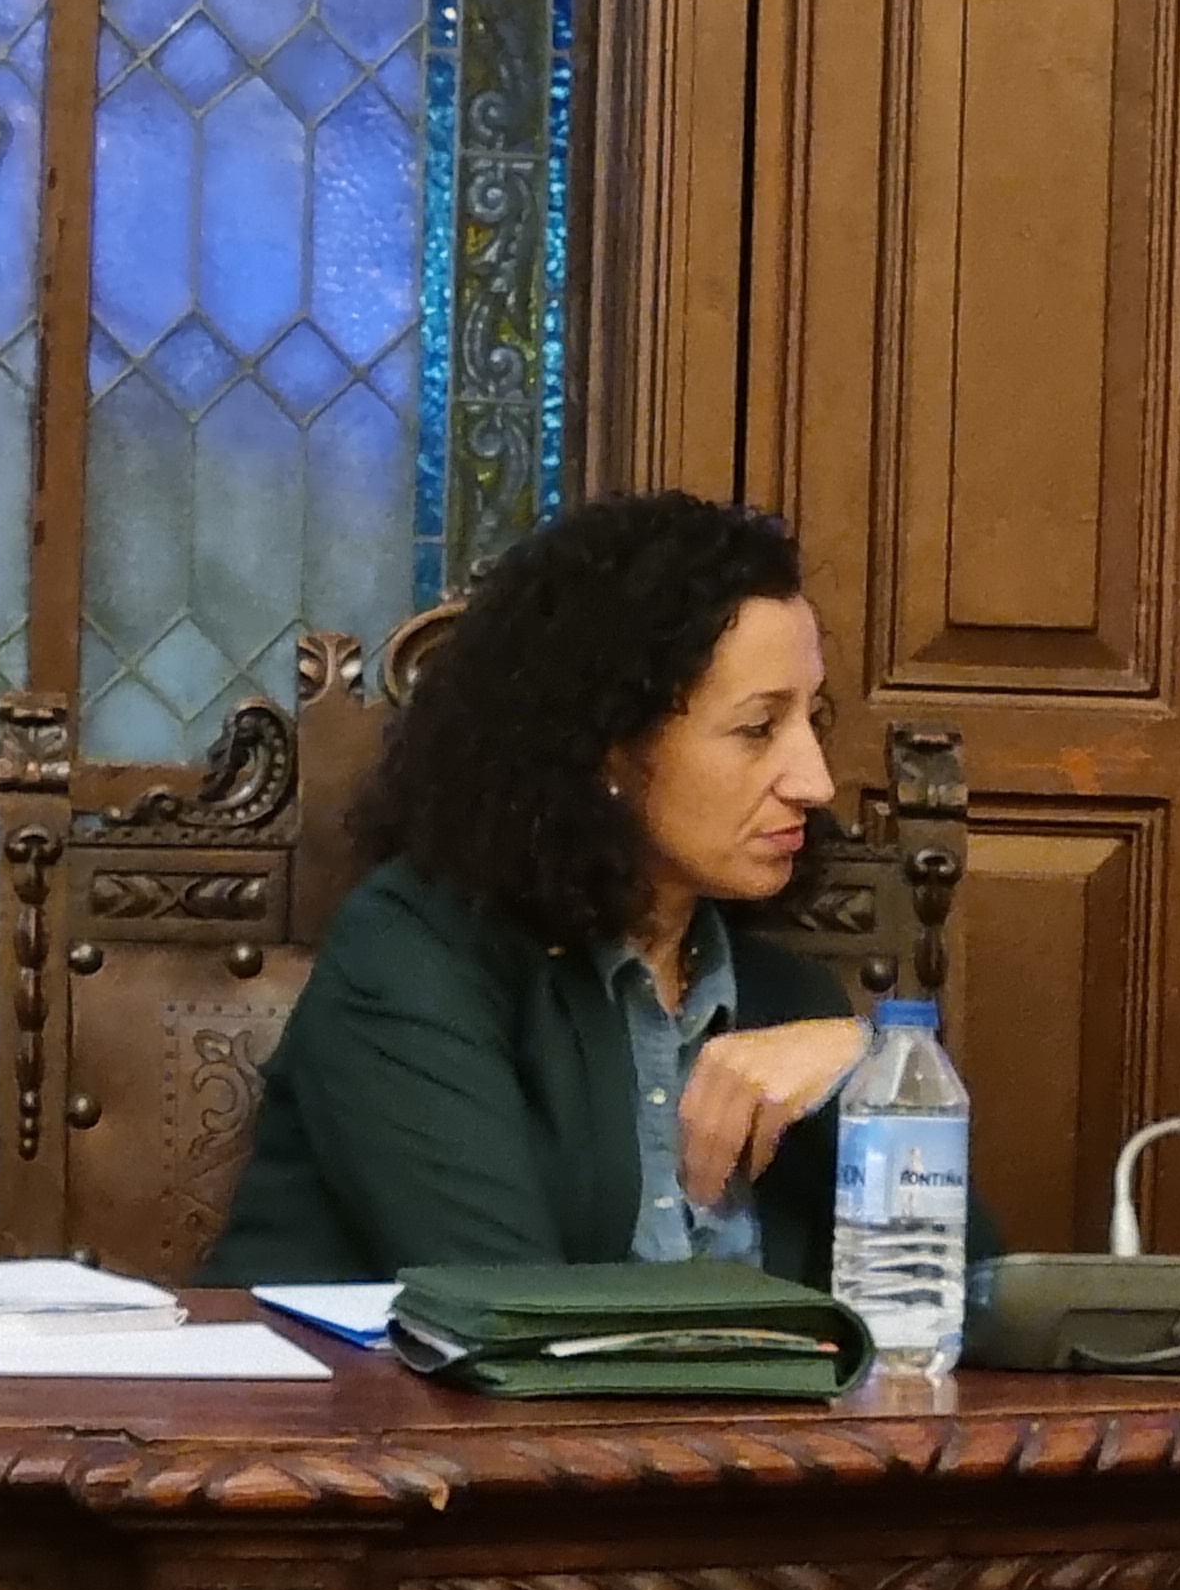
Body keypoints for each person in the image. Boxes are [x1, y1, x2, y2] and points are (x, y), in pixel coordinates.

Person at [202, 495, 871, 1285]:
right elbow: (505, 1305)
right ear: (608, 748)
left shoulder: (789, 998)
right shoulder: (412, 954)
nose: (815, 782)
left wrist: (874, 1072)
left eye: (813, 720)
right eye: (758, 730)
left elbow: (962, 1298)